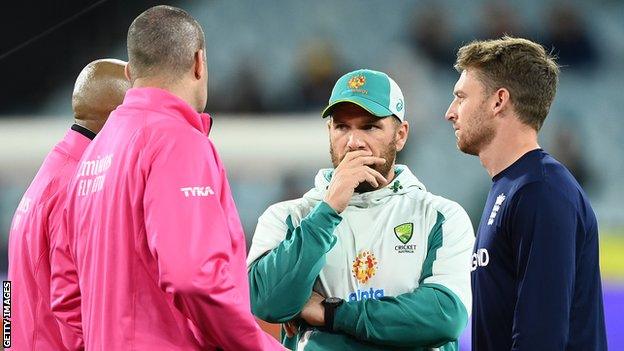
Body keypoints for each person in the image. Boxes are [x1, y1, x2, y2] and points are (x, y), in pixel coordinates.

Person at [63, 6, 283, 350]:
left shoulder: (94, 152)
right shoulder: (177, 141)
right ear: (199, 62)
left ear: (130, 71)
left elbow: (68, 295)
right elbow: (192, 277)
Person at [247, 69, 475, 350]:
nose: (354, 142)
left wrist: (330, 313)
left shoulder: (440, 217)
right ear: (329, 132)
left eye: (369, 127)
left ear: (401, 135)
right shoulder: (287, 217)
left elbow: (444, 317)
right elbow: (268, 304)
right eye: (342, 127)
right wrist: (328, 210)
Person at [445, 36, 607, 350]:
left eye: (461, 97)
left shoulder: (541, 191)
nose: (450, 112)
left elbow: (541, 338)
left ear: (498, 101)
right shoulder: (512, 187)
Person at [8, 58, 129, 350]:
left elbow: (9, 299)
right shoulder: (80, 185)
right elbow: (74, 311)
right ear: (116, 115)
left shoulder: (57, 170)